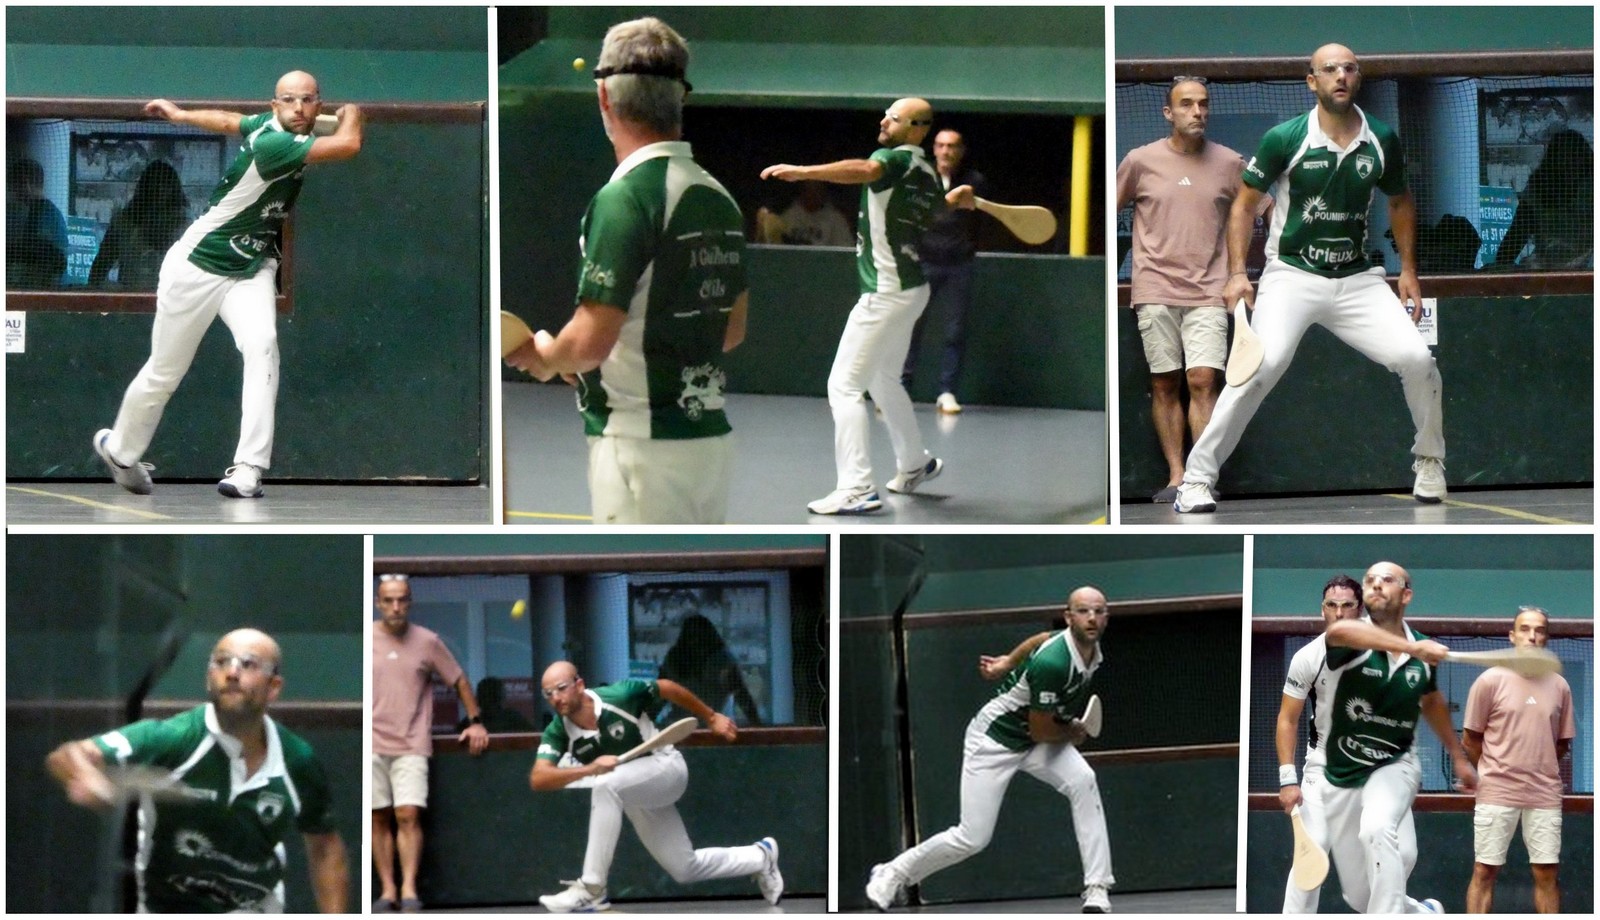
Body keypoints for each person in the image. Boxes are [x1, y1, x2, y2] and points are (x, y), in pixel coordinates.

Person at [1174, 44, 1446, 513]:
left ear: (1358, 78)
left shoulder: (1381, 138)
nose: (1341, 76)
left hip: (1358, 278)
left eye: (1349, 69)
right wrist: (1237, 273)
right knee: (1260, 369)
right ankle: (1196, 481)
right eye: (1330, 69)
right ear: (1312, 81)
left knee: (1417, 360)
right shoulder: (1285, 138)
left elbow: (1400, 200)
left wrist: (1408, 270)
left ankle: (1430, 460)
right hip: (1292, 275)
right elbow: (1243, 206)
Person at [505, 17, 747, 525]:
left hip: (640, 450)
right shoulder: (719, 198)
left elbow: (589, 344)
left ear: (604, 98)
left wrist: (546, 357)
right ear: (681, 97)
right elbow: (729, 330)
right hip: (709, 448)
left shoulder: (625, 200)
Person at [92, 70, 363, 499]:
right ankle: (120, 452)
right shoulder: (274, 145)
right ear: (275, 104)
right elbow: (349, 144)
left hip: (251, 267)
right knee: (165, 371)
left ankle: (249, 469)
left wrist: (181, 115)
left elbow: (229, 120)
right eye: (288, 100)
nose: (297, 108)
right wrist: (354, 115)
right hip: (197, 265)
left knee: (262, 345)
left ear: (317, 104)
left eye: (306, 100)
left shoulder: (264, 123)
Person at [762, 98, 975, 515]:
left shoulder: (893, 159)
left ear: (916, 129)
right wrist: (955, 199)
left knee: (843, 386)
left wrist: (803, 172)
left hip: (885, 292)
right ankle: (914, 464)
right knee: (884, 380)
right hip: (911, 289)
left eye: (892, 118)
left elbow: (865, 170)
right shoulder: (926, 171)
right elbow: (934, 212)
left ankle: (857, 487)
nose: (883, 121)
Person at [45, 628, 349, 912]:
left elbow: (324, 846)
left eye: (248, 664)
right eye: (221, 662)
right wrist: (86, 776)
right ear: (208, 679)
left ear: (273, 687)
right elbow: (68, 755)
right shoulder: (171, 738)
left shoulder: (297, 761)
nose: (232, 673)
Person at [867, 586, 1115, 913]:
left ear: (1107, 616)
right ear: (1069, 617)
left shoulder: (1087, 649)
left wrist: (1007, 663)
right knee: (972, 838)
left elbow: (1041, 638)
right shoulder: (1054, 662)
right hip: (995, 740)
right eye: (1083, 611)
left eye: (1098, 611)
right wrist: (1074, 732)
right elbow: (1042, 729)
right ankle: (892, 872)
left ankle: (1098, 887)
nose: (1091, 618)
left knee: (1083, 780)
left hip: (1035, 741)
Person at [530, 661, 783, 912]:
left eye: (561, 688)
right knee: (685, 868)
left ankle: (592, 890)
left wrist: (711, 716)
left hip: (666, 769)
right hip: (633, 791)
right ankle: (761, 856)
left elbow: (667, 687)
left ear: (579, 685)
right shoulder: (558, 731)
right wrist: (589, 769)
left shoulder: (620, 696)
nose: (555, 698)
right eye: (548, 693)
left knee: (606, 784)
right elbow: (539, 778)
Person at [1116, 78, 1254, 502]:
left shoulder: (1230, 163)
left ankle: (1200, 477)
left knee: (1203, 380)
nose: (1197, 112)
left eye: (1203, 104)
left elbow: (1258, 211)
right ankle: (1176, 476)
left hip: (1210, 290)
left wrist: (1242, 272)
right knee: (1164, 382)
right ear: (1168, 113)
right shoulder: (1140, 161)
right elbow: (1108, 210)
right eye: (1187, 104)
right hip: (1155, 288)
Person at [1316, 562, 1478, 913]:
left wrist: (1459, 757)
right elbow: (1342, 632)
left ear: (1406, 595)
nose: (1376, 585)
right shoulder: (1348, 635)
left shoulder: (1422, 651)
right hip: (1342, 773)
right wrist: (1415, 649)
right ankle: (1423, 913)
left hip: (1395, 763)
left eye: (1387, 580)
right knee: (1360, 898)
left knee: (1376, 829)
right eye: (1370, 580)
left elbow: (1431, 701)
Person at [1275, 575, 1439, 914]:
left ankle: (1417, 912)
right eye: (1331, 605)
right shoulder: (1308, 657)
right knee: (1312, 852)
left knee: (1403, 856)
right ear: (1322, 609)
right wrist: (1287, 778)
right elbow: (1287, 719)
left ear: (1360, 608)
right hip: (1324, 767)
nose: (1339, 613)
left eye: (1347, 605)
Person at [371, 574, 490, 913]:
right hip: (372, 744)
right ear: (379, 603)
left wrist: (475, 721)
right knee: (377, 817)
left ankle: (409, 888)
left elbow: (460, 681)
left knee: (408, 814)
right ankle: (388, 891)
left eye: (402, 600)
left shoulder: (428, 641)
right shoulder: (365, 639)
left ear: (410, 603)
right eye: (389, 600)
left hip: (412, 744)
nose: (396, 606)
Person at [1462, 606, 1575, 913]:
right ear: (1512, 636)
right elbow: (1470, 739)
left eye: (1539, 630)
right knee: (1484, 870)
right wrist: (1494, 771)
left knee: (1546, 873)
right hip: (1496, 791)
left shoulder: (1560, 686)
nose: (1532, 636)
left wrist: (1537, 768)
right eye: (1525, 629)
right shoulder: (1489, 681)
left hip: (1544, 793)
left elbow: (1562, 743)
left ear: (1546, 638)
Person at [900, 128, 988, 415]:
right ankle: (901, 389)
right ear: (934, 150)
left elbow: (978, 223)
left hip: (959, 266)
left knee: (955, 330)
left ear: (961, 151)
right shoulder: (920, 179)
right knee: (911, 327)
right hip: (924, 263)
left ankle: (947, 392)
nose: (946, 151)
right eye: (941, 145)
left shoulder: (974, 182)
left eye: (952, 146)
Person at [1490, 129, 1593, 271]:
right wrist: (1499, 269)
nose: (1568, 164)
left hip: (1587, 270)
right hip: (1547, 270)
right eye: (1563, 157)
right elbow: (1515, 238)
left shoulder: (1591, 188)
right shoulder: (1538, 191)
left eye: (1573, 158)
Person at [90, 159, 190, 289]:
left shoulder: (185, 225)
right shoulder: (124, 222)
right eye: (154, 186)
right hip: (133, 296)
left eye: (164, 186)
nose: (159, 191)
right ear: (145, 189)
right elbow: (99, 269)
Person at [658, 613, 762, 725]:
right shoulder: (675, 658)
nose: (695, 641)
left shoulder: (721, 661)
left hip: (698, 727)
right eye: (692, 636)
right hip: (688, 727)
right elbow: (659, 695)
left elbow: (742, 696)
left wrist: (758, 729)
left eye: (698, 636)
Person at [6, 156, 69, 288]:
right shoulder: (47, 212)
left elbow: (36, 253)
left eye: (13, 186)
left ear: (25, 184)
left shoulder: (40, 214)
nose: (12, 193)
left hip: (46, 290)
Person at [767, 180, 854, 246]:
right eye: (810, 190)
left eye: (818, 190)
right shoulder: (787, 216)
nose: (815, 194)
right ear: (803, 190)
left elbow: (845, 249)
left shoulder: (836, 219)